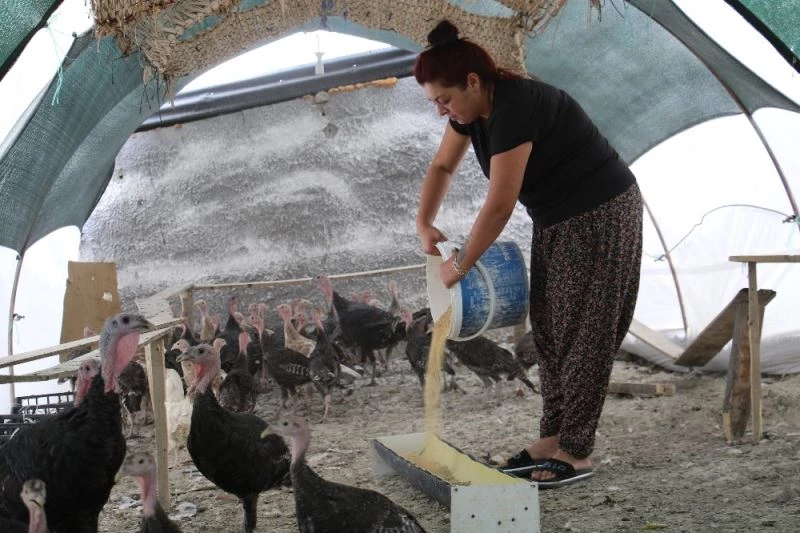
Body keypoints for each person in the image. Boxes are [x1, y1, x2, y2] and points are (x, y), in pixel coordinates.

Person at [413, 20, 643, 489]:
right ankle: (553, 436)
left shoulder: (515, 107)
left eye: (445, 99)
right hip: (556, 218)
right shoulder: (470, 113)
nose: (441, 111)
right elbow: (442, 166)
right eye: (434, 102)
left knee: (585, 330)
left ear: (473, 81)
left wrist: (461, 265)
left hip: (599, 210)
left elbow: (500, 204)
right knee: (550, 329)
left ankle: (576, 451)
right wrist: (423, 221)